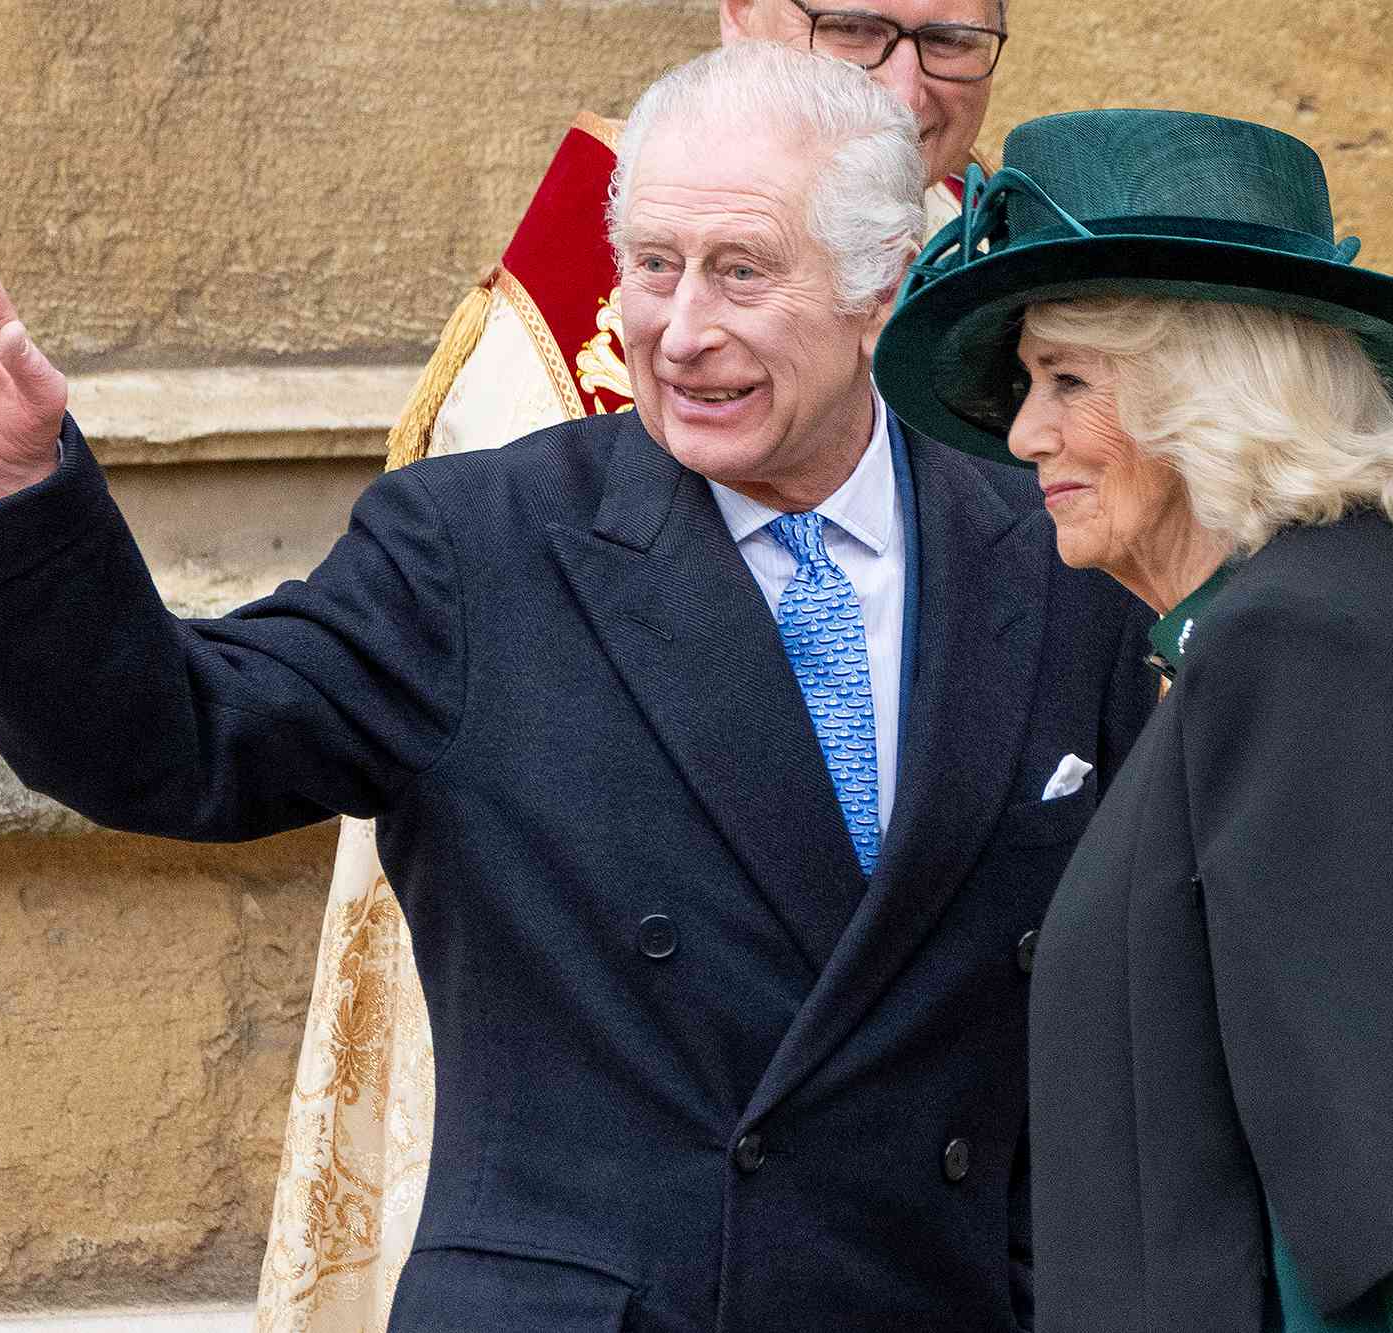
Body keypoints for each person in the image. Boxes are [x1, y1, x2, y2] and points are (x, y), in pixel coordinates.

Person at [0, 46, 1157, 1333]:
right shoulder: (478, 550)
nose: (681, 332)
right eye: (652, 267)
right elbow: (173, 738)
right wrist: (14, 498)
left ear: (881, 287)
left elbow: (1140, 1014)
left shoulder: (1053, 557)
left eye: (742, 273)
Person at [268, 7, 1011, 1323]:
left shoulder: (1030, 315)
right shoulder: (552, 350)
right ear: (747, 18)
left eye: (952, 38)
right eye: (858, 27)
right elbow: (217, 725)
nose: (907, 83)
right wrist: (15, 510)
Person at [872, 108, 1393, 1331]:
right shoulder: (1309, 615)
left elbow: (1382, 1211)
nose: (1023, 435)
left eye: (1066, 382)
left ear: (1211, 392)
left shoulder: (1296, 647)